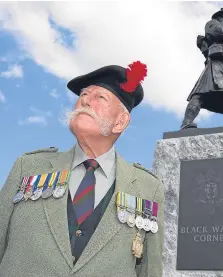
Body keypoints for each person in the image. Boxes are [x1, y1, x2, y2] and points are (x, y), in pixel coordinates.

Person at [0, 61, 164, 277]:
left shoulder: (147, 187)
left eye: (100, 97)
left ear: (120, 122)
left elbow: (149, 270)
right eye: (84, 95)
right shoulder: (28, 167)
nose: (85, 100)